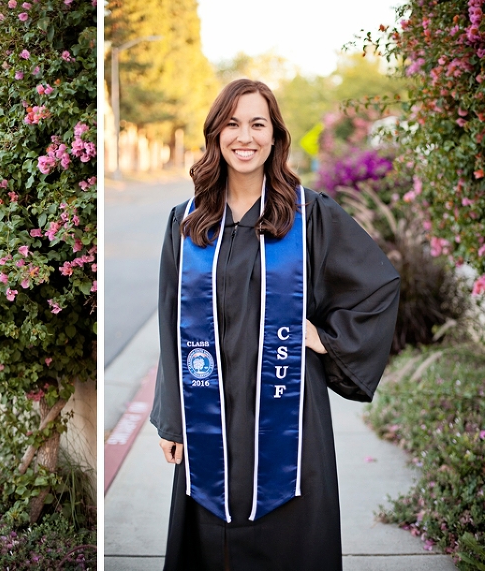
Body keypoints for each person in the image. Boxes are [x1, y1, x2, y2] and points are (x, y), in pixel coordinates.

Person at [149, 78, 400, 571]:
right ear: (216, 134)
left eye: (257, 124)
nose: (245, 137)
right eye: (233, 124)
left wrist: (326, 339)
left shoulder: (309, 215)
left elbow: (377, 285)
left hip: (289, 408)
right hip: (210, 407)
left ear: (275, 135)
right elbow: (169, 321)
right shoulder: (188, 221)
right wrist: (173, 415)